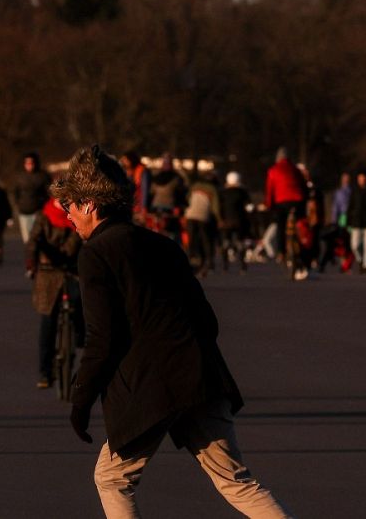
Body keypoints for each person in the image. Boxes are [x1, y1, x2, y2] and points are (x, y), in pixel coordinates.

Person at [54, 145, 291, 519]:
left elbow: (102, 337)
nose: (66, 214)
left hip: (152, 388)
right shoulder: (163, 245)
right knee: (237, 482)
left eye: (68, 205)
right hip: (200, 378)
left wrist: (80, 400)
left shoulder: (96, 253)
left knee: (112, 479)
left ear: (89, 205)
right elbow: (207, 320)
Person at [27, 198, 83, 389]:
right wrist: (31, 263)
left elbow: (76, 241)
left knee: (79, 302)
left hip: (70, 270)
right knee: (48, 321)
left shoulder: (76, 214)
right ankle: (45, 371)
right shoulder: (44, 215)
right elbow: (33, 241)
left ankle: (79, 336)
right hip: (48, 272)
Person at [263, 148, 308, 279]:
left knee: (281, 226)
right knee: (300, 225)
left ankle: (281, 251)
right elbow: (303, 186)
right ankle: (302, 248)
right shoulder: (295, 169)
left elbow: (270, 190)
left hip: (282, 202)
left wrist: (269, 205)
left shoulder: (273, 170)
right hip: (298, 201)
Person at [184, 172, 220, 276]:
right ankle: (208, 261)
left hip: (190, 215)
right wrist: (219, 219)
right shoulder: (213, 189)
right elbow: (215, 206)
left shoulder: (195, 186)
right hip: (203, 216)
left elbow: (187, 198)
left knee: (191, 239)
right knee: (205, 239)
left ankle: (191, 258)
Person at [14, 152, 53, 245]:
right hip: (23, 212)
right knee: (27, 239)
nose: (29, 165)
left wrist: (43, 203)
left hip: (38, 211)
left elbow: (49, 192)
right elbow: (15, 192)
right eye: (27, 163)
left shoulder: (43, 176)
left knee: (38, 237)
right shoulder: (20, 177)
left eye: (31, 163)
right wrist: (18, 204)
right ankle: (30, 253)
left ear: (35, 163)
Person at [217, 172, 252, 273]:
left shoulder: (223, 192)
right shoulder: (242, 192)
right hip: (239, 221)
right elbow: (249, 207)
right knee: (240, 242)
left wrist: (220, 219)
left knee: (226, 243)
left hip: (226, 222)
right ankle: (242, 266)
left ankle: (225, 266)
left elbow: (219, 207)